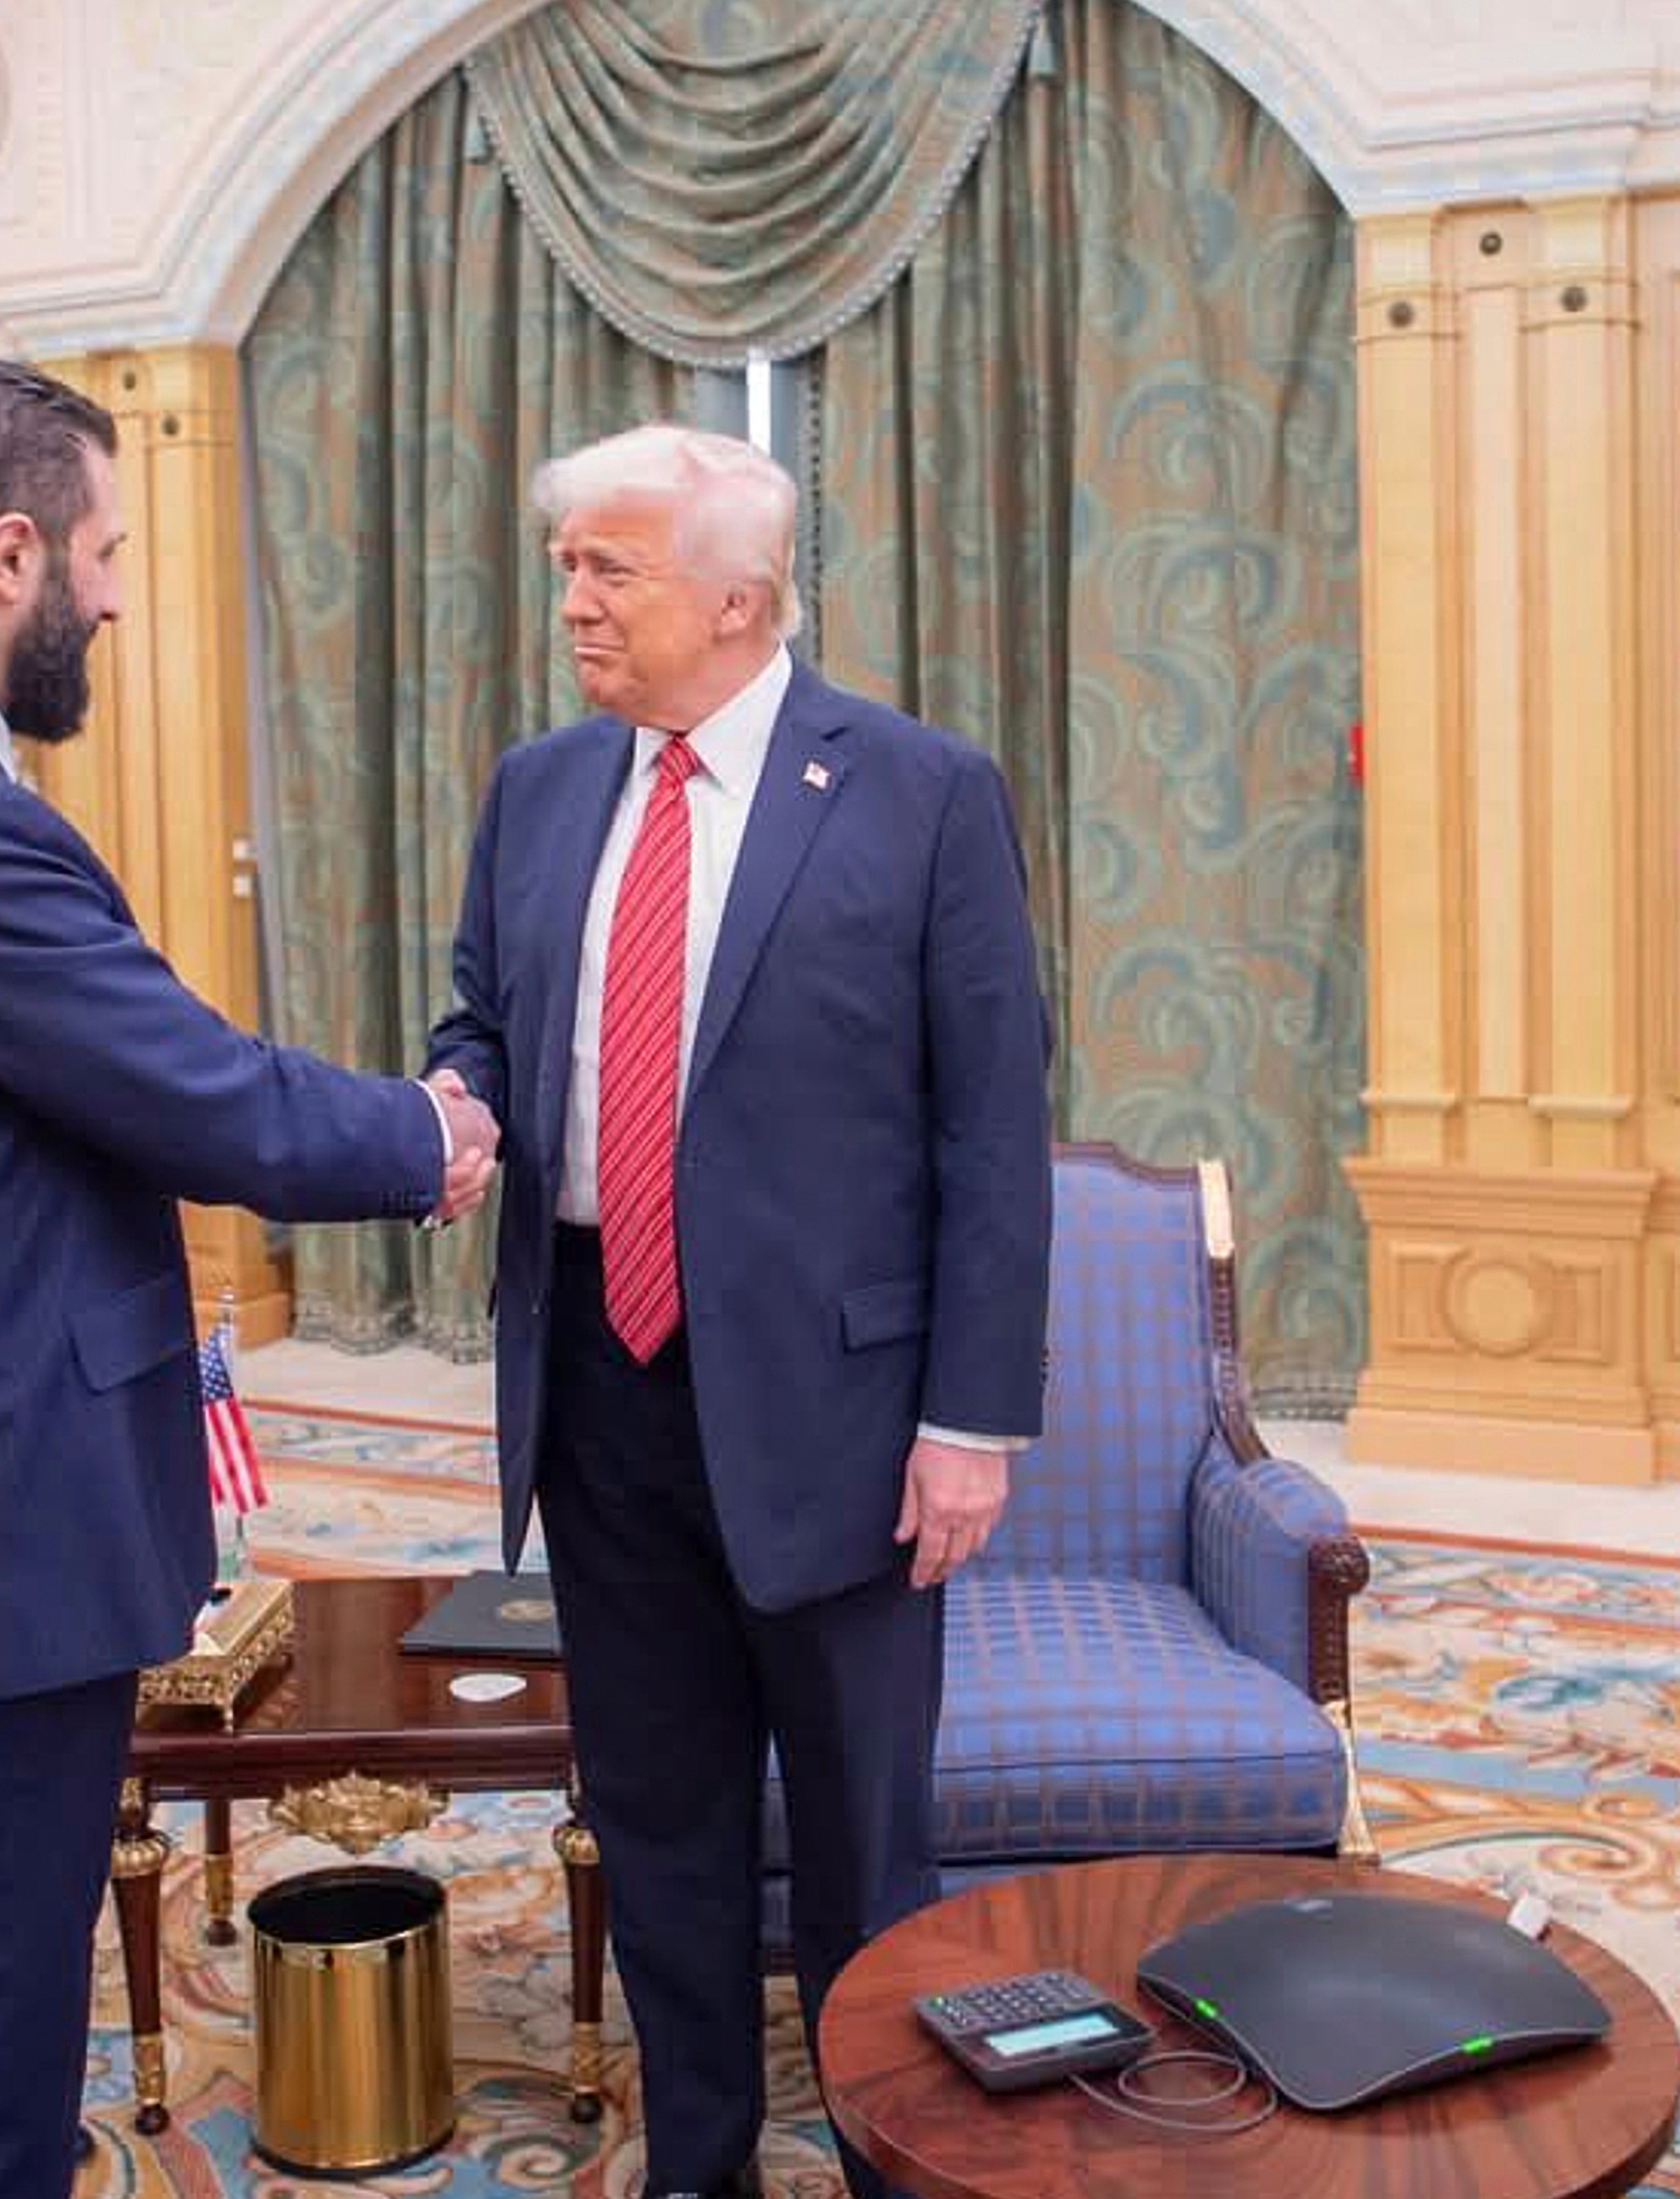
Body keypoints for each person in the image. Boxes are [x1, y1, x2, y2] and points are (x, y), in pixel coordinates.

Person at [0, 357, 500, 2198]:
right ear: (12, 552)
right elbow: (200, 1091)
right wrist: (428, 1134)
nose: (120, 597)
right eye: (109, 552)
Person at [424, 423, 1051, 2199]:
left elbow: (988, 1128)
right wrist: (458, 1098)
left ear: (740, 596)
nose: (572, 601)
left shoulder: (921, 791)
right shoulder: (541, 787)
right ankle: (694, 2159)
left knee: (863, 1850)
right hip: (602, 1398)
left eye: (607, 570)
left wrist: (971, 1421)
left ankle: (884, 2163)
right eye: (568, 566)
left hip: (841, 1426)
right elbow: (484, 1012)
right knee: (664, 1828)